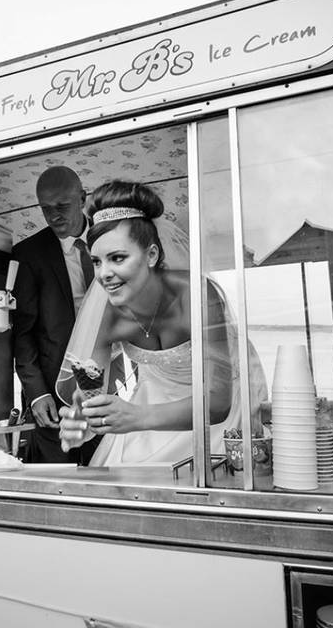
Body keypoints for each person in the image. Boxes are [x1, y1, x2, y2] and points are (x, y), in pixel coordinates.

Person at [57, 180, 241, 465]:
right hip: (146, 406)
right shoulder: (108, 313)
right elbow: (91, 395)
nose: (104, 274)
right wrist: (83, 424)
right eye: (96, 261)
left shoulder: (198, 295)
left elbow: (218, 403)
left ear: (151, 255)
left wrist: (139, 416)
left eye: (117, 258)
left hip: (215, 411)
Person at [12, 166, 102, 463]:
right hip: (54, 396)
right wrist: (36, 393)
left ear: (82, 198)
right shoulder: (29, 254)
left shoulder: (111, 239)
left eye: (62, 206)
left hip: (114, 385)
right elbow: (22, 333)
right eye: (45, 209)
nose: (54, 217)